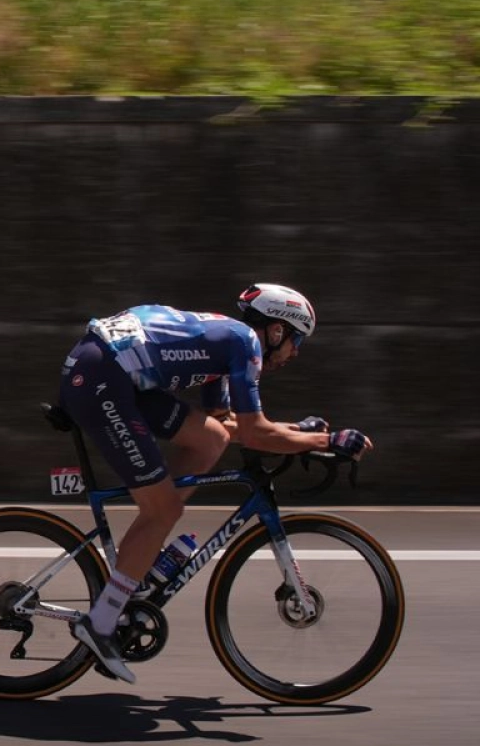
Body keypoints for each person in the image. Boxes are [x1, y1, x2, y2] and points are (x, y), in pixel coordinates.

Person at [56, 283, 371, 682]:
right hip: (103, 377)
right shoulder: (245, 346)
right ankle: (100, 624)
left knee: (210, 440)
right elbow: (256, 434)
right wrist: (326, 441)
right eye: (296, 341)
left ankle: (142, 556)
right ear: (276, 331)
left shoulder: (224, 343)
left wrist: (295, 432)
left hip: (108, 370)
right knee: (165, 508)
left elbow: (226, 425)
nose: (295, 353)